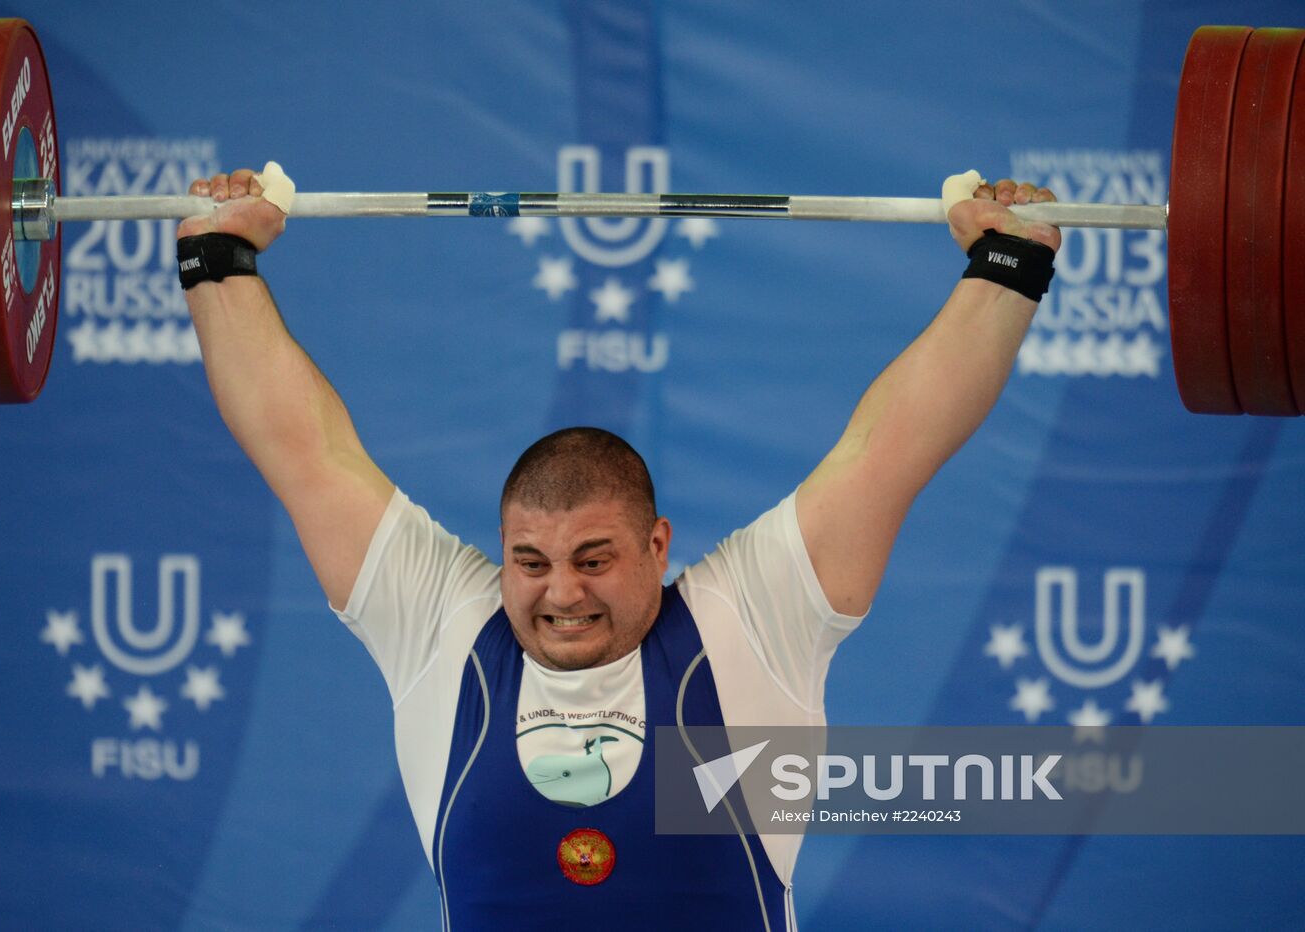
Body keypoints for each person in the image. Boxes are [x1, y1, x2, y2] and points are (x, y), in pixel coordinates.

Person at [175, 168, 1060, 930]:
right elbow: (306, 454)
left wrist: (1007, 265)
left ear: (657, 545)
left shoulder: (751, 621)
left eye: (593, 560)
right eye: (530, 563)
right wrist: (218, 258)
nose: (561, 594)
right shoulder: (443, 625)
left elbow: (889, 452)